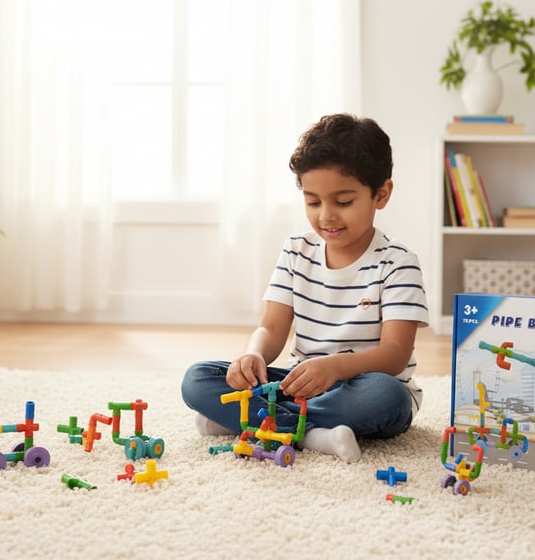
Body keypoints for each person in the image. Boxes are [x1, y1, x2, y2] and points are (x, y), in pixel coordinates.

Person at [181, 113, 428, 462]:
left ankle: (254, 422)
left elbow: (394, 355)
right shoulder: (297, 250)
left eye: (343, 202)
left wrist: (333, 368)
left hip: (361, 386)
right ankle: (314, 435)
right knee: (198, 378)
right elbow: (271, 327)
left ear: (381, 194)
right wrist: (253, 355)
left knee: (385, 398)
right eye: (313, 201)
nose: (326, 215)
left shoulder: (398, 262)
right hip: (300, 385)